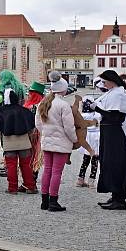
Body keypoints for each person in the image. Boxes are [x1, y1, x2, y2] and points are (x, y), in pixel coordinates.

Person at [90, 70, 126, 210]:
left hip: (114, 134)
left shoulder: (118, 94)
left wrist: (98, 109)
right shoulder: (113, 92)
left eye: (105, 81)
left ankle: (119, 200)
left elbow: (115, 117)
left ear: (111, 80)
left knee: (115, 165)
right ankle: (115, 196)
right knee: (110, 164)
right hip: (109, 133)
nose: (103, 84)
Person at [35, 71, 77, 212]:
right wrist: (75, 140)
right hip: (61, 143)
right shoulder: (63, 105)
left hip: (47, 142)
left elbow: (38, 124)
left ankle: (44, 201)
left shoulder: (43, 103)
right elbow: (69, 127)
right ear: (63, 89)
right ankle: (53, 201)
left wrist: (45, 133)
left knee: (47, 171)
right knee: (56, 172)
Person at [0, 89, 37, 195]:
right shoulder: (24, 110)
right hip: (24, 143)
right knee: (26, 166)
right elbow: (31, 129)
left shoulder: (1, 111)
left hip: (9, 144)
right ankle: (30, 186)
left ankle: (12, 188)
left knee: (11, 166)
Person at [23, 81, 46, 181]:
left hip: (30, 135)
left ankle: (29, 181)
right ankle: (32, 180)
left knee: (29, 158)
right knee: (35, 158)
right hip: (38, 135)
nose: (29, 96)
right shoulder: (44, 106)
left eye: (30, 93)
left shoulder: (30, 106)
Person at [77, 99, 101, 188]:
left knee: (85, 160)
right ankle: (91, 181)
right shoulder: (97, 115)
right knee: (95, 160)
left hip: (87, 136)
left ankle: (80, 179)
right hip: (96, 137)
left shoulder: (82, 116)